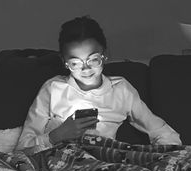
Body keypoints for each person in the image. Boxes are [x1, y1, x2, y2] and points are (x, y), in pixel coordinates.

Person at [15, 15, 181, 154]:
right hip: (60, 161)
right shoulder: (53, 89)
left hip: (103, 165)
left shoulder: (120, 90)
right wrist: (56, 136)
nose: (86, 68)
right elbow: (22, 148)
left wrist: (163, 157)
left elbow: (160, 130)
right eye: (75, 62)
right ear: (64, 62)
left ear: (105, 55)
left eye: (93, 59)